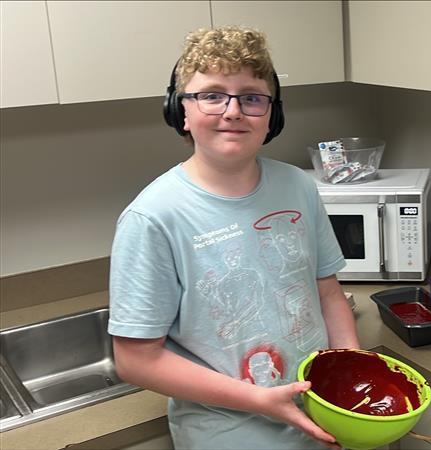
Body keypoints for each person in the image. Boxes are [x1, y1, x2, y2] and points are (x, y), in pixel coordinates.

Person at [108, 25, 359, 450]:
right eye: (211, 95)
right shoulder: (152, 217)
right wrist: (258, 399)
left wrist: (352, 373)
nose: (233, 111)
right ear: (180, 111)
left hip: (320, 414)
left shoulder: (298, 186)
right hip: (229, 433)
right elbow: (136, 359)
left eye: (252, 97)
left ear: (271, 115)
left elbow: (328, 294)